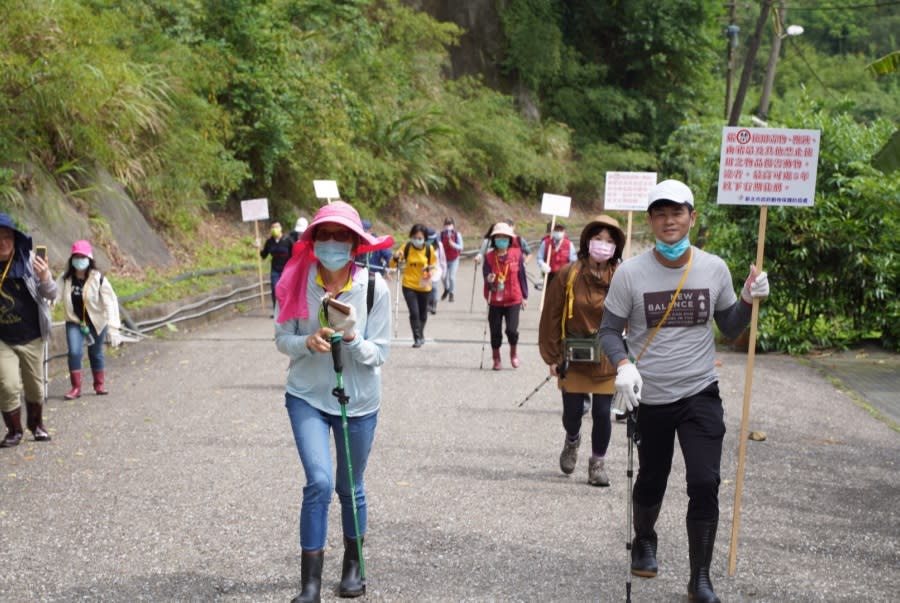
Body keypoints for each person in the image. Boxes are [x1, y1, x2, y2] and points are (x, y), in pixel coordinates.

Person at [599, 179, 770, 603]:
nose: (668, 221)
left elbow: (729, 328)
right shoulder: (631, 272)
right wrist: (622, 365)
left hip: (699, 393)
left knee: (706, 481)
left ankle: (700, 579)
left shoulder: (713, 268)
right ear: (652, 221)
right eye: (660, 214)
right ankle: (644, 538)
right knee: (653, 478)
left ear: (692, 218)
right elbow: (608, 331)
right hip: (650, 396)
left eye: (677, 213)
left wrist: (748, 299)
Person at [273, 201, 393, 603]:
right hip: (306, 396)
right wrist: (307, 342)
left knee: (349, 486)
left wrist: (354, 340)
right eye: (324, 235)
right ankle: (309, 586)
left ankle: (353, 566)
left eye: (341, 236)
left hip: (358, 402)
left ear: (355, 244)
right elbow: (281, 340)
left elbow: (381, 354)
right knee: (320, 483)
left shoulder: (374, 288)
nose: (331, 243)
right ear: (313, 241)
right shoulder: (295, 281)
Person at [539, 215, 625, 487]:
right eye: (598, 238)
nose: (603, 245)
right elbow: (551, 315)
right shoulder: (569, 273)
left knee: (602, 412)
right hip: (573, 356)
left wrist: (632, 358)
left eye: (610, 241)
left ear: (616, 247)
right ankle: (572, 439)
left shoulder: (622, 276)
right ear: (587, 241)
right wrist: (552, 357)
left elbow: (635, 315)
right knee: (572, 412)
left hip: (607, 355)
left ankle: (597, 463)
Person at [0, 213, 57, 447]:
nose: (2, 242)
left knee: (35, 386)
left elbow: (51, 294)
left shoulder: (30, 261)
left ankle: (36, 425)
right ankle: (14, 430)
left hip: (32, 335)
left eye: (6, 237)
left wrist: (44, 277)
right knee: (8, 383)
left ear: (15, 239)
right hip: (3, 338)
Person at [58, 240, 122, 399]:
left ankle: (99, 385)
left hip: (96, 322)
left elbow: (110, 301)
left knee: (96, 353)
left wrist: (114, 327)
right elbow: (54, 295)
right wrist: (46, 301)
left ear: (89, 258)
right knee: (74, 352)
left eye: (82, 256)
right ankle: (76, 388)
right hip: (75, 322)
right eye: (76, 256)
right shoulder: (65, 278)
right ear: (72, 259)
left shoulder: (98, 279)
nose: (80, 260)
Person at [482, 222, 528, 370]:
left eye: (505, 237)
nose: (501, 240)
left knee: (512, 330)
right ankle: (496, 358)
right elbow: (486, 275)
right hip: (495, 300)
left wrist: (524, 297)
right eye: (498, 237)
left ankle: (513, 354)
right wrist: (489, 279)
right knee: (495, 331)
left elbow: (522, 276)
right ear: (494, 239)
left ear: (509, 239)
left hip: (513, 299)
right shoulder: (489, 257)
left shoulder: (517, 254)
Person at [390, 224, 436, 348]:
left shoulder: (429, 249)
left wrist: (430, 271)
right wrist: (395, 258)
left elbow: (433, 265)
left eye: (420, 237)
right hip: (409, 285)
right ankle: (417, 337)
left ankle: (421, 333)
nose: (417, 240)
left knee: (423, 314)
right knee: (414, 312)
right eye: (415, 237)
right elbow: (393, 265)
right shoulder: (407, 247)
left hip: (424, 285)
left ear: (425, 238)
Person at [259, 221, 294, 309]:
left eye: (277, 227)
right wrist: (258, 247)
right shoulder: (269, 242)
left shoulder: (288, 240)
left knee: (286, 289)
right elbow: (264, 255)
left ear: (281, 228)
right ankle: (276, 310)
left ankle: (287, 308)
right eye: (273, 227)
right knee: (275, 289)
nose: (275, 229)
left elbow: (294, 254)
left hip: (287, 269)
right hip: (275, 270)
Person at [537, 222, 577, 287]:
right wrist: (543, 265)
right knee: (548, 295)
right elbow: (539, 258)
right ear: (553, 231)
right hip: (549, 276)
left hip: (564, 277)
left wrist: (568, 271)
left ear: (564, 232)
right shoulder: (546, 243)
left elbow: (573, 261)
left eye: (560, 230)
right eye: (556, 230)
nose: (558, 232)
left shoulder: (569, 244)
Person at [439, 217, 463, 302]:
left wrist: (453, 244)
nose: (448, 226)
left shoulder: (457, 234)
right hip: (444, 259)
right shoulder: (441, 235)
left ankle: (451, 293)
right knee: (444, 277)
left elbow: (461, 247)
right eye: (446, 224)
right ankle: (446, 289)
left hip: (454, 259)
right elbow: (438, 246)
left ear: (453, 225)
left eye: (449, 224)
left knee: (452, 277)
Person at [425, 227, 446, 315]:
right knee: (425, 287)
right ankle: (427, 304)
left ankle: (434, 305)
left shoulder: (439, 246)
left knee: (433, 287)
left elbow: (443, 259)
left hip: (436, 269)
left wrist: (444, 271)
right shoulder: (423, 245)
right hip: (425, 268)